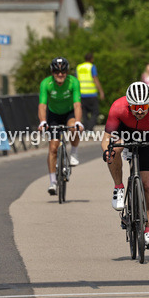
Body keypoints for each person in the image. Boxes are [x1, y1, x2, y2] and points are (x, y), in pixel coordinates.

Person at [102, 82, 149, 250]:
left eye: (144, 106)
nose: (140, 111)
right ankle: (119, 187)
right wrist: (107, 152)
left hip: (148, 136)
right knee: (114, 148)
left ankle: (148, 231)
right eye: (135, 107)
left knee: (148, 185)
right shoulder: (118, 108)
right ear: (128, 104)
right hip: (124, 132)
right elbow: (106, 138)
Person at [38, 57, 84, 193]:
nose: (60, 74)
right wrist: (42, 121)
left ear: (67, 72)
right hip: (53, 115)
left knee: (74, 128)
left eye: (63, 72)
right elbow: (42, 105)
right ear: (52, 72)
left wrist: (78, 121)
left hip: (69, 113)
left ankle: (74, 152)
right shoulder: (46, 83)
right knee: (53, 147)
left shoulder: (73, 82)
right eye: (57, 72)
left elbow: (77, 104)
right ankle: (52, 182)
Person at [76, 52, 105, 131]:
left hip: (81, 93)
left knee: (84, 113)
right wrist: (101, 91)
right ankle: (89, 128)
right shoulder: (92, 67)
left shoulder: (79, 67)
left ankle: (85, 128)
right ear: (92, 59)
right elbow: (95, 79)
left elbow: (76, 80)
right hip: (91, 93)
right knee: (95, 112)